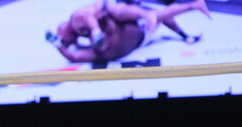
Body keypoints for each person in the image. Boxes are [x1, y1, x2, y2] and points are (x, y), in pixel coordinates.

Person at [47, 0, 211, 64]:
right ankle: (189, 20)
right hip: (135, 34)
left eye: (64, 39)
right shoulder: (95, 49)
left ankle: (190, 15)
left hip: (122, 20)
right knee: (159, 16)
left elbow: (86, 16)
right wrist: (57, 44)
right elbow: (73, 56)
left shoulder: (80, 20)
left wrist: (96, 31)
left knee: (120, 12)